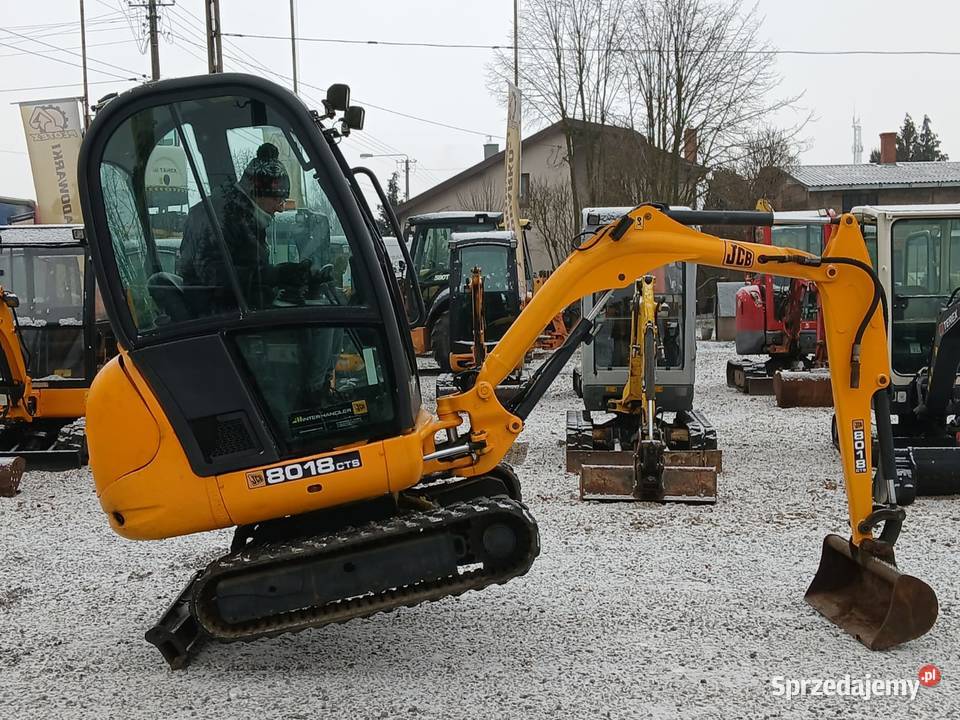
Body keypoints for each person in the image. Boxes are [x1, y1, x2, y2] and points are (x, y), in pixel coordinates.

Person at [177, 142, 303, 313]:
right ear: (256, 193)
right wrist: (271, 275)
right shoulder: (220, 218)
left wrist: (277, 277)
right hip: (216, 321)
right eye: (277, 199)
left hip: (238, 315)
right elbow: (212, 278)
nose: (281, 207)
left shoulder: (242, 216)